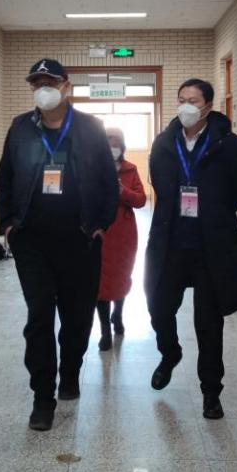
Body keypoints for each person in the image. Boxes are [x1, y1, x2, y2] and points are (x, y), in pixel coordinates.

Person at [0, 59, 117, 431]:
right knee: (39, 318)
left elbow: (108, 182)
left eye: (50, 82)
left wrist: (100, 225)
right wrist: (9, 223)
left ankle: (71, 372)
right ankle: (42, 397)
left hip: (80, 240)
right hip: (32, 241)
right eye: (37, 83)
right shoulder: (20, 128)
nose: (43, 89)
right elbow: (4, 178)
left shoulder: (90, 128)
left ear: (66, 86)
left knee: (77, 318)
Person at [145, 78, 237, 420]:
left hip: (210, 247)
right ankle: (170, 352)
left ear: (208, 106)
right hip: (171, 243)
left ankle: (211, 392)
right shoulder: (164, 142)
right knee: (159, 307)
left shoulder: (228, 144)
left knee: (209, 324)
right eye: (181, 99)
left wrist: (213, 215)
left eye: (193, 100)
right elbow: (159, 184)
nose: (186, 106)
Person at [96, 127, 147, 351]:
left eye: (116, 142)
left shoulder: (130, 169)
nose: (112, 146)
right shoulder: (95, 169)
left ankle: (117, 314)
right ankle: (105, 330)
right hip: (101, 232)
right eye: (108, 141)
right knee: (101, 282)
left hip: (125, 234)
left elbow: (141, 200)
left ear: (123, 145)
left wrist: (122, 191)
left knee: (121, 277)